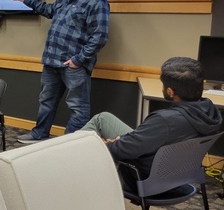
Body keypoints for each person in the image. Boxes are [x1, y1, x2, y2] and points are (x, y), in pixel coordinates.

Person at [11, 0, 110, 143]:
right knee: (46, 102)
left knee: (78, 107)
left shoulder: (97, 1)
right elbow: (50, 10)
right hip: (51, 61)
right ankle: (39, 133)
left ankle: (68, 145)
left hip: (74, 65)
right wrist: (28, 0)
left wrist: (78, 60)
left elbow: (100, 37)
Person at [80, 57, 222, 180]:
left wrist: (106, 144)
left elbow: (121, 150)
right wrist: (123, 140)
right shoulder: (210, 111)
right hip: (180, 175)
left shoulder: (165, 120)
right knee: (103, 118)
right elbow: (145, 139)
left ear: (170, 92)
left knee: (93, 148)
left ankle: (66, 164)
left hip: (143, 177)